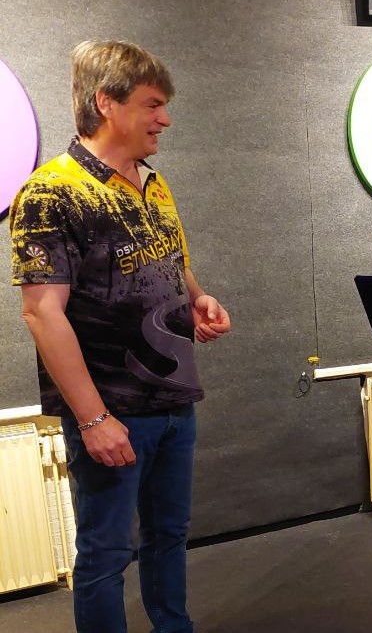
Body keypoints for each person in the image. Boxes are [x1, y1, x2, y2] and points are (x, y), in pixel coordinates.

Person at [10, 40, 231, 633]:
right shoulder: (51, 192)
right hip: (112, 410)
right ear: (107, 103)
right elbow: (42, 313)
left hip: (174, 400)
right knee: (106, 552)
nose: (165, 119)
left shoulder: (153, 182)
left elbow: (172, 261)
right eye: (152, 105)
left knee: (169, 535)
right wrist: (92, 419)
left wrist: (197, 298)